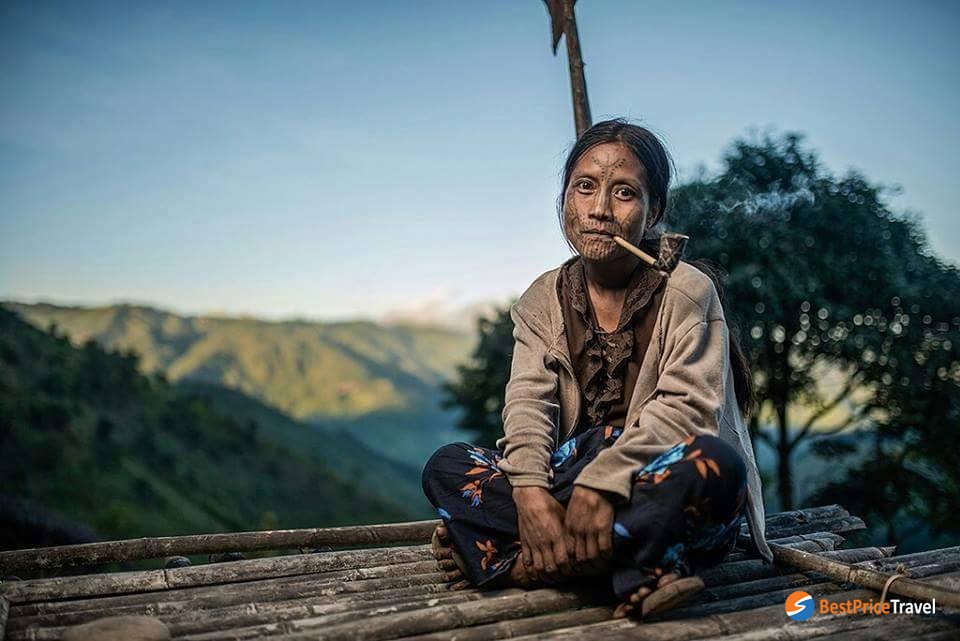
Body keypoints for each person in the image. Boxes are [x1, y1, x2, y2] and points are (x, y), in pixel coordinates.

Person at [421, 118, 773, 619]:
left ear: (655, 212)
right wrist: (530, 494)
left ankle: (524, 564)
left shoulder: (687, 292)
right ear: (565, 198)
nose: (599, 210)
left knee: (715, 467)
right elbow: (527, 406)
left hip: (650, 483)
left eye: (624, 193)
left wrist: (602, 483)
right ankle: (633, 567)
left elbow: (688, 413)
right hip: (574, 482)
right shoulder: (541, 299)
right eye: (585, 187)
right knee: (448, 465)